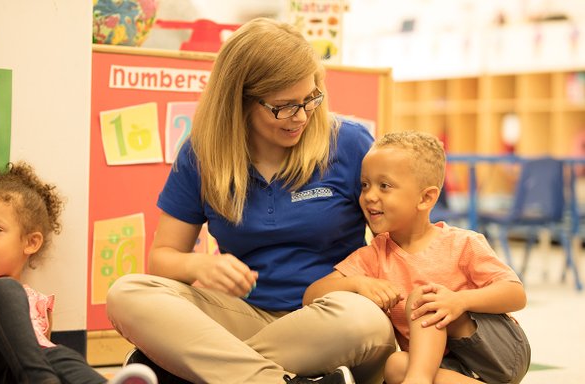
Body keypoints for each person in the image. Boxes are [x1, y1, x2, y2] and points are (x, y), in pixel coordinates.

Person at [106, 17, 396, 384]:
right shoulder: (201, 154)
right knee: (127, 293)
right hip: (242, 316)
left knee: (362, 319)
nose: (302, 116)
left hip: (331, 317)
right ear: (239, 101)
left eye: (310, 99)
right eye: (284, 106)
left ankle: (188, 372)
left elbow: (403, 238)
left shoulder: (350, 143)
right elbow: (162, 259)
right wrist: (198, 267)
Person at [304, 131, 531, 384]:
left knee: (423, 300)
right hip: (450, 367)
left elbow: (515, 294)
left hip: (501, 352)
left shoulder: (462, 242)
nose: (369, 195)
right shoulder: (374, 255)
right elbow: (312, 295)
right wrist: (357, 283)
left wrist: (459, 301)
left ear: (426, 198)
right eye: (365, 184)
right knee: (395, 365)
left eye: (384, 186)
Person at [0, 162, 157, 384]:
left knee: (59, 354)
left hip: (18, 376)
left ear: (31, 242)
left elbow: (36, 356)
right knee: (4, 290)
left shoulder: (39, 304)